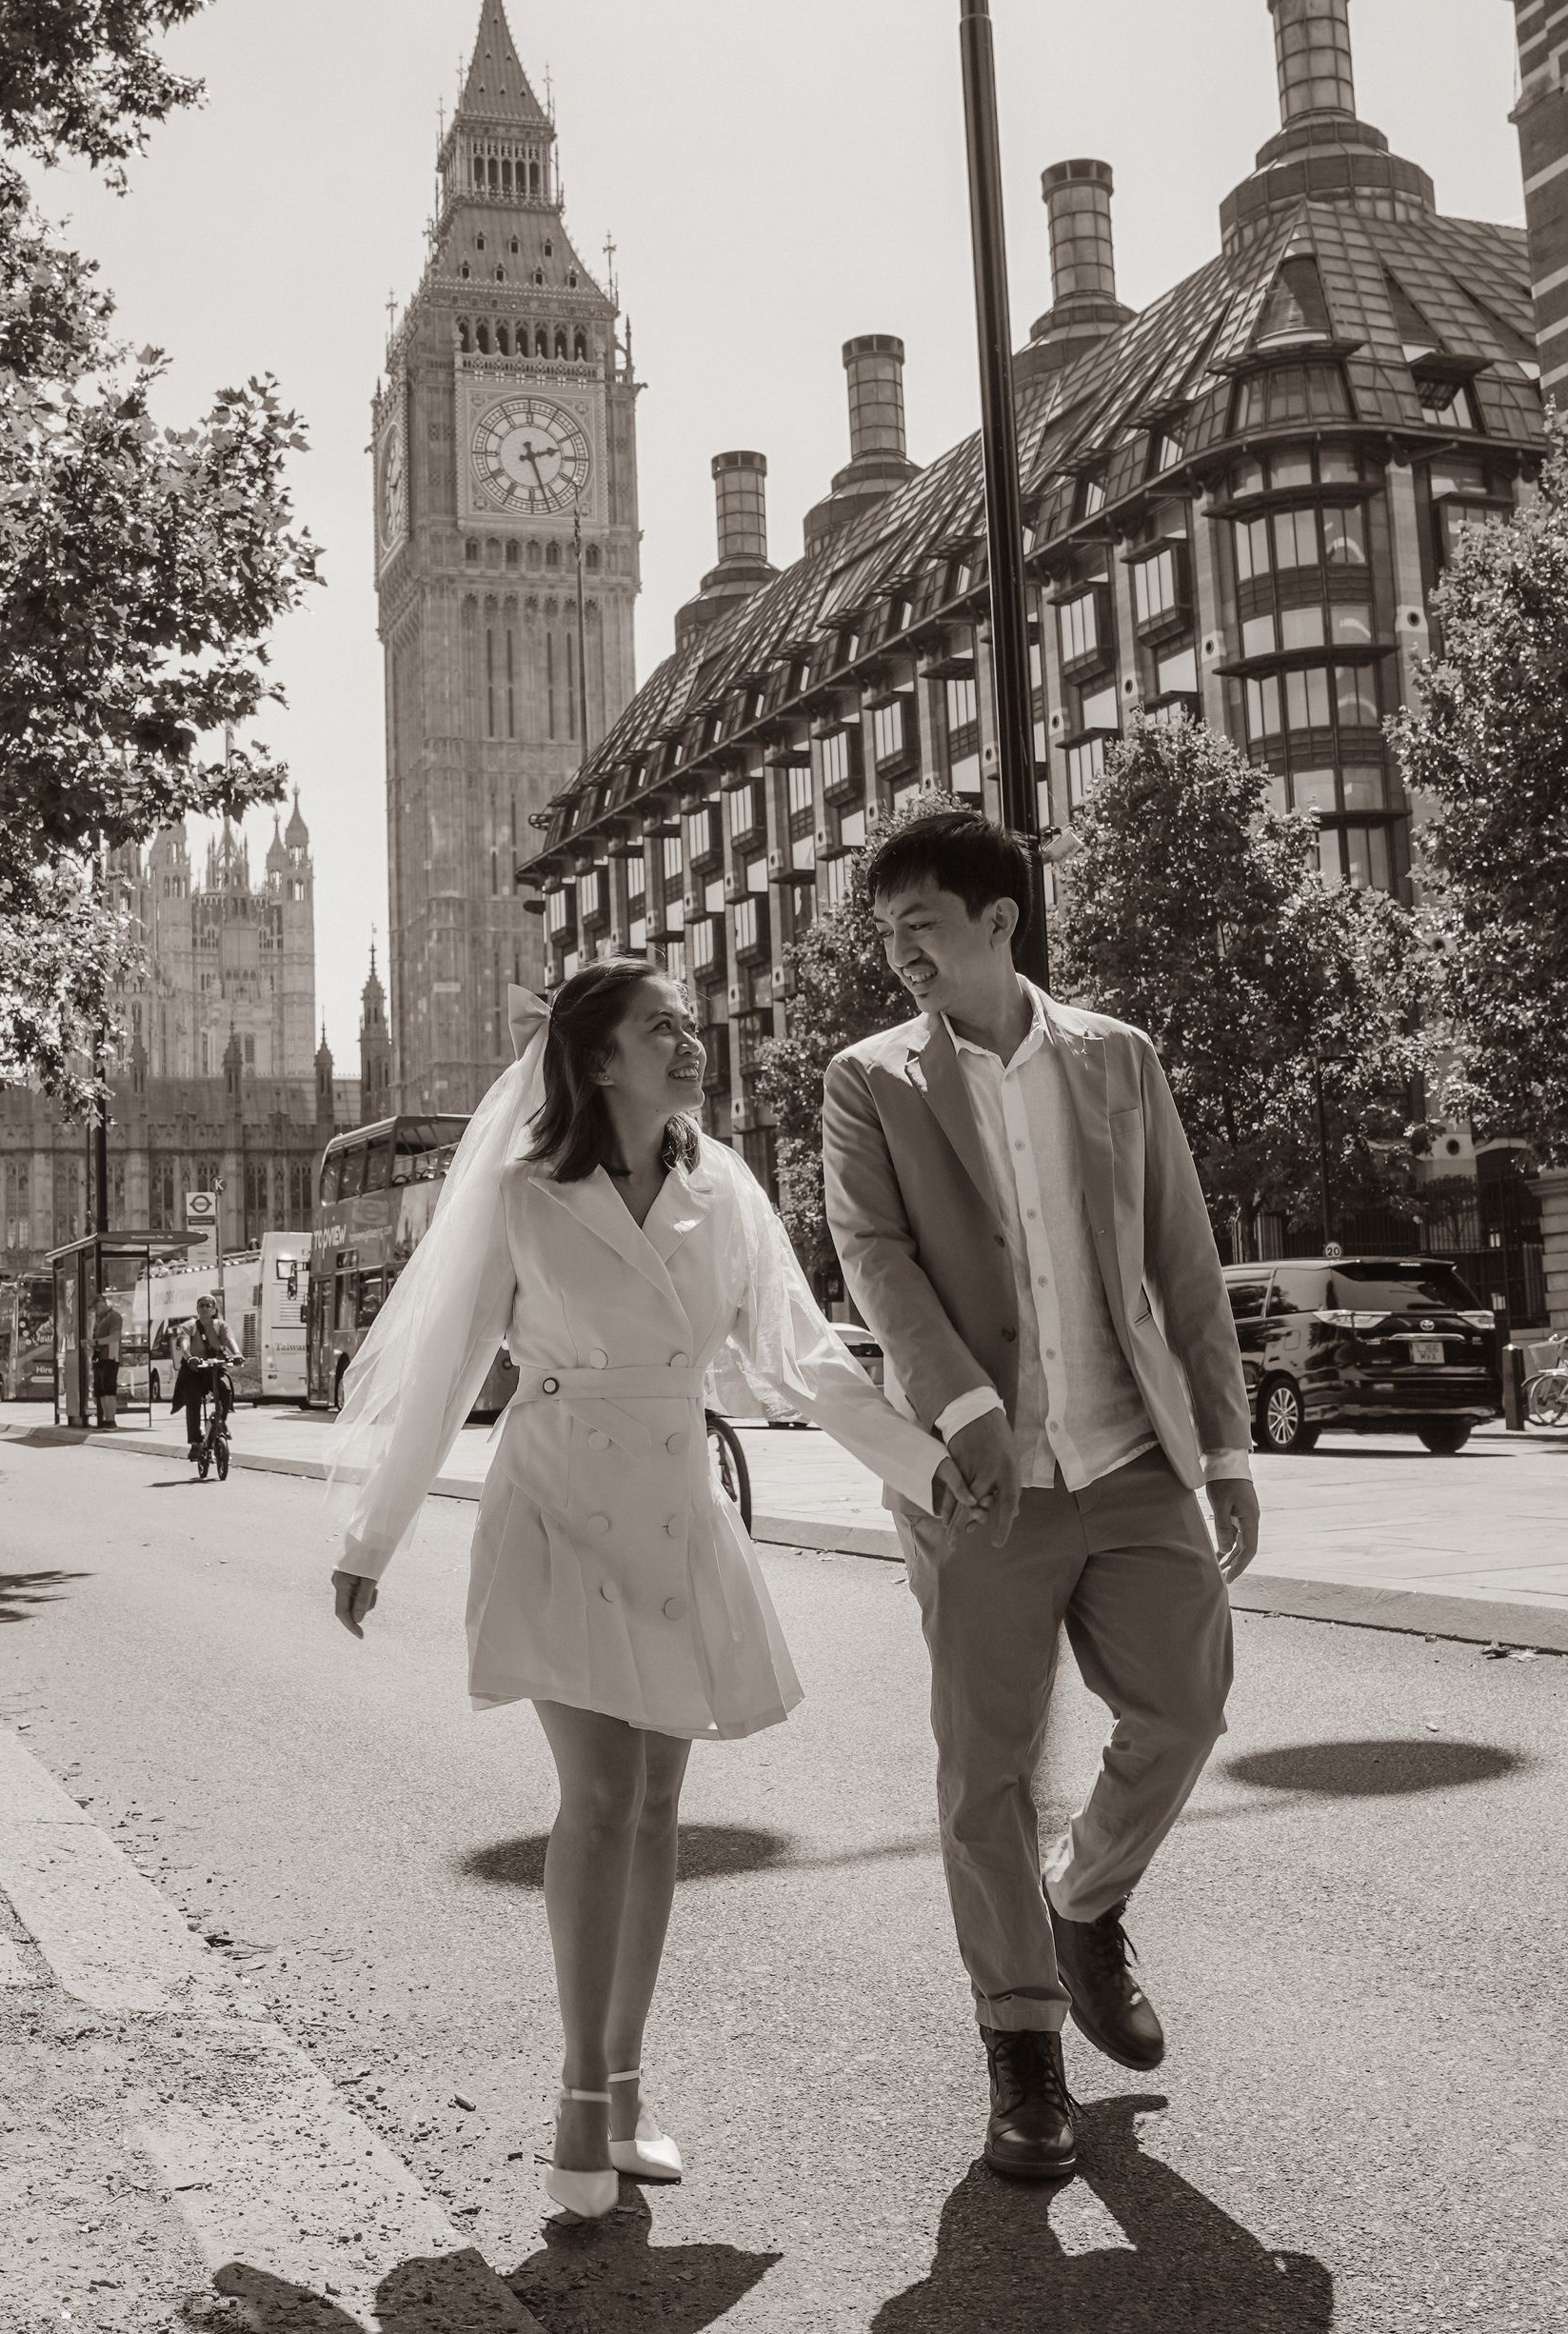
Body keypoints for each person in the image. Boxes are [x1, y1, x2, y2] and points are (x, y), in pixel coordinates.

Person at [327, 962, 978, 2223]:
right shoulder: (523, 1191)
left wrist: (925, 1462)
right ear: (597, 1060)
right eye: (660, 1026)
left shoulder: (722, 1184)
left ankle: (624, 2091)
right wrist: (372, 1534)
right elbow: (447, 1367)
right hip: (556, 1498)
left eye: (688, 1022)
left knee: (660, 1804)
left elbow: (799, 1354)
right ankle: (581, 2096)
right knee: (602, 1793)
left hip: (679, 1503)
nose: (690, 1042)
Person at [821, 812, 1260, 2184]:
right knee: (988, 1770)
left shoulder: (1119, 1056)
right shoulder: (868, 1080)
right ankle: (1021, 2045)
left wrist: (1228, 1448)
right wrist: (962, 1407)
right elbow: (874, 1255)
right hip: (983, 1483)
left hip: (1132, 1457)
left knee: (1187, 1702)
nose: (901, 956)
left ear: (1000, 920)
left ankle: (1085, 1897)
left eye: (922, 927)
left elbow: (1182, 1255)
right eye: (887, 936)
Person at [175, 1294, 238, 1458]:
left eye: (208, 1305)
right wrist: (189, 1357)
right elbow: (184, 1342)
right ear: (197, 1308)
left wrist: (237, 1354)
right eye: (201, 1305)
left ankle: (221, 1421)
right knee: (193, 1400)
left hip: (214, 1369)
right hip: (193, 1371)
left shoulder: (221, 1325)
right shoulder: (189, 1325)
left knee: (225, 1390)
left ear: (214, 1309)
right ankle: (195, 1443)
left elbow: (229, 1340)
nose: (204, 1308)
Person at [90, 1290, 124, 1426]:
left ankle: (111, 1419)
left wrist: (96, 1342)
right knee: (100, 1391)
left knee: (109, 1389)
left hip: (110, 1356)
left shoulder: (114, 1316)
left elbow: (115, 1336)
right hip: (99, 1357)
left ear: (103, 1303)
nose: (95, 1311)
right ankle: (106, 1419)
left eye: (96, 1307)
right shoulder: (100, 1318)